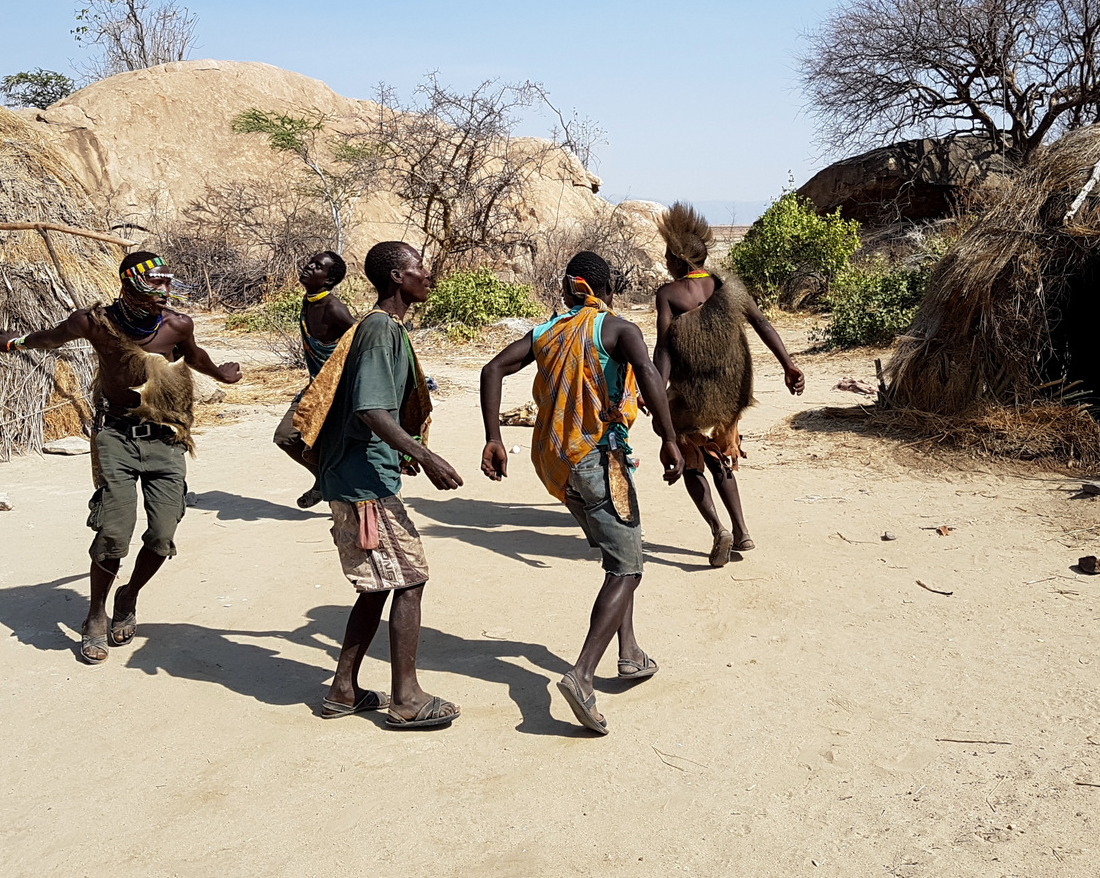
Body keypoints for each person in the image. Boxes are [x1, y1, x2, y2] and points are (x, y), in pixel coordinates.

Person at [0, 251, 242, 664]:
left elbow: (192, 356)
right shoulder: (93, 322)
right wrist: (14, 342)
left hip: (165, 436)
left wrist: (221, 375)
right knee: (112, 534)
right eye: (153, 285)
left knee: (162, 536)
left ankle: (129, 596)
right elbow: (50, 338)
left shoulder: (176, 324)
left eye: (166, 285)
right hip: (115, 436)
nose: (163, 294)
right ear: (127, 284)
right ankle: (95, 616)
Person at [479, 251, 684, 735]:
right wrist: (670, 438)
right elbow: (651, 378)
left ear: (572, 286)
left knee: (618, 553)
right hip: (600, 460)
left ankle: (629, 652)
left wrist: (492, 436)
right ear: (601, 286)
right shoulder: (618, 329)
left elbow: (491, 369)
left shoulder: (547, 331)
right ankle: (583, 674)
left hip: (557, 463)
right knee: (628, 566)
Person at [292, 241, 463, 728]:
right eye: (418, 268)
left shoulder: (381, 328)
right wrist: (423, 455)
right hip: (364, 482)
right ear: (396, 278)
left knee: (377, 585)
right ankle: (406, 699)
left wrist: (403, 451)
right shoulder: (380, 330)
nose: (427, 274)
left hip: (360, 473)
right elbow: (370, 410)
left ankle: (343, 690)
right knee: (409, 579)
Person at [652, 202, 805, 566]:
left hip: (690, 395)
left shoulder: (669, 295)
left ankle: (716, 527)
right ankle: (741, 531)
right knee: (721, 456)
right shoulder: (729, 287)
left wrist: (656, 391)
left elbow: (663, 350)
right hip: (732, 393)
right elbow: (763, 324)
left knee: (689, 458)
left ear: (677, 261)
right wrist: (789, 365)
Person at [272, 250, 355, 508]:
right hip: (316, 387)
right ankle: (324, 478)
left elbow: (363, 339)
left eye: (317, 267)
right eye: (310, 263)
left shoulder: (334, 308)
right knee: (286, 436)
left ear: (328, 281)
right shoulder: (308, 302)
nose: (308, 268)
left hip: (340, 390)